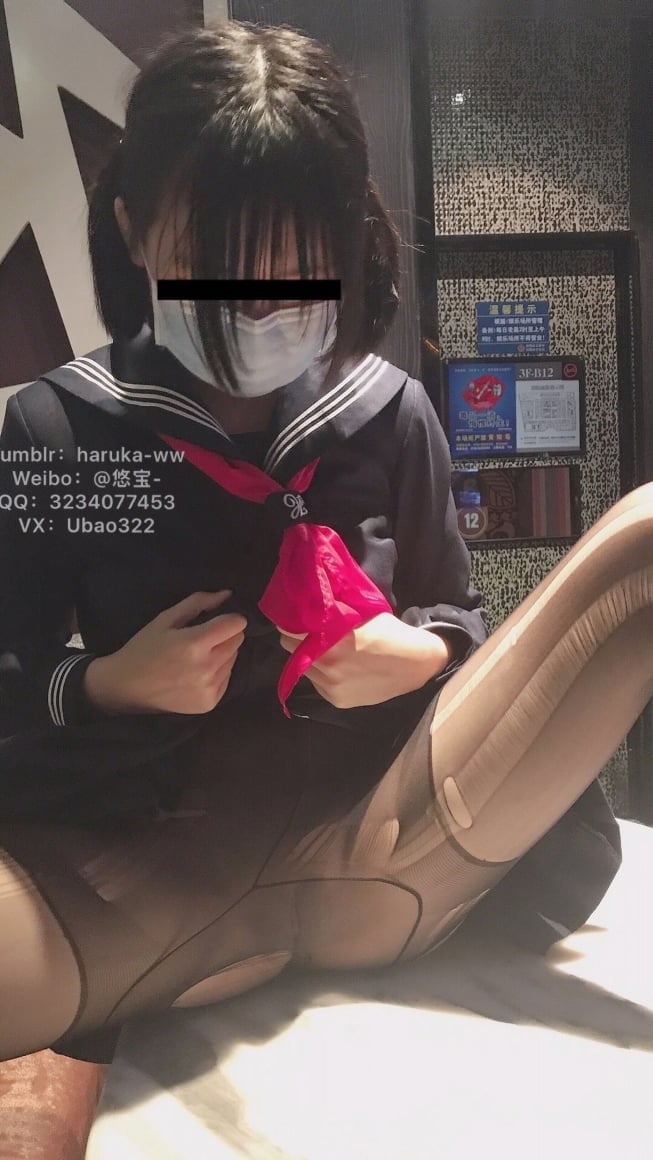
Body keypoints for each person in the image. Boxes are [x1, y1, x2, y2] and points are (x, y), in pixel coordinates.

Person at [0, 20, 639, 1069]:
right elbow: (11, 677)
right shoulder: (60, 427)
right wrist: (108, 683)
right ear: (132, 229)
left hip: (384, 831)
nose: (256, 305)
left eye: (296, 263)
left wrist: (420, 653)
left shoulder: (385, 411)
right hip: (146, 865)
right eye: (212, 261)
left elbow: (458, 614)